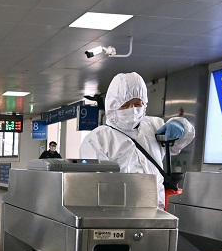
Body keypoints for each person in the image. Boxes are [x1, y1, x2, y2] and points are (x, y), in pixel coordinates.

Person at [79, 72, 195, 209]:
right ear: (112, 106)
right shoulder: (97, 139)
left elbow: (178, 144)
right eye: (125, 105)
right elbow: (99, 183)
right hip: (117, 212)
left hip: (156, 210)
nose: (132, 110)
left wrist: (181, 125)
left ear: (144, 103)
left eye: (137, 104)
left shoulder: (153, 126)